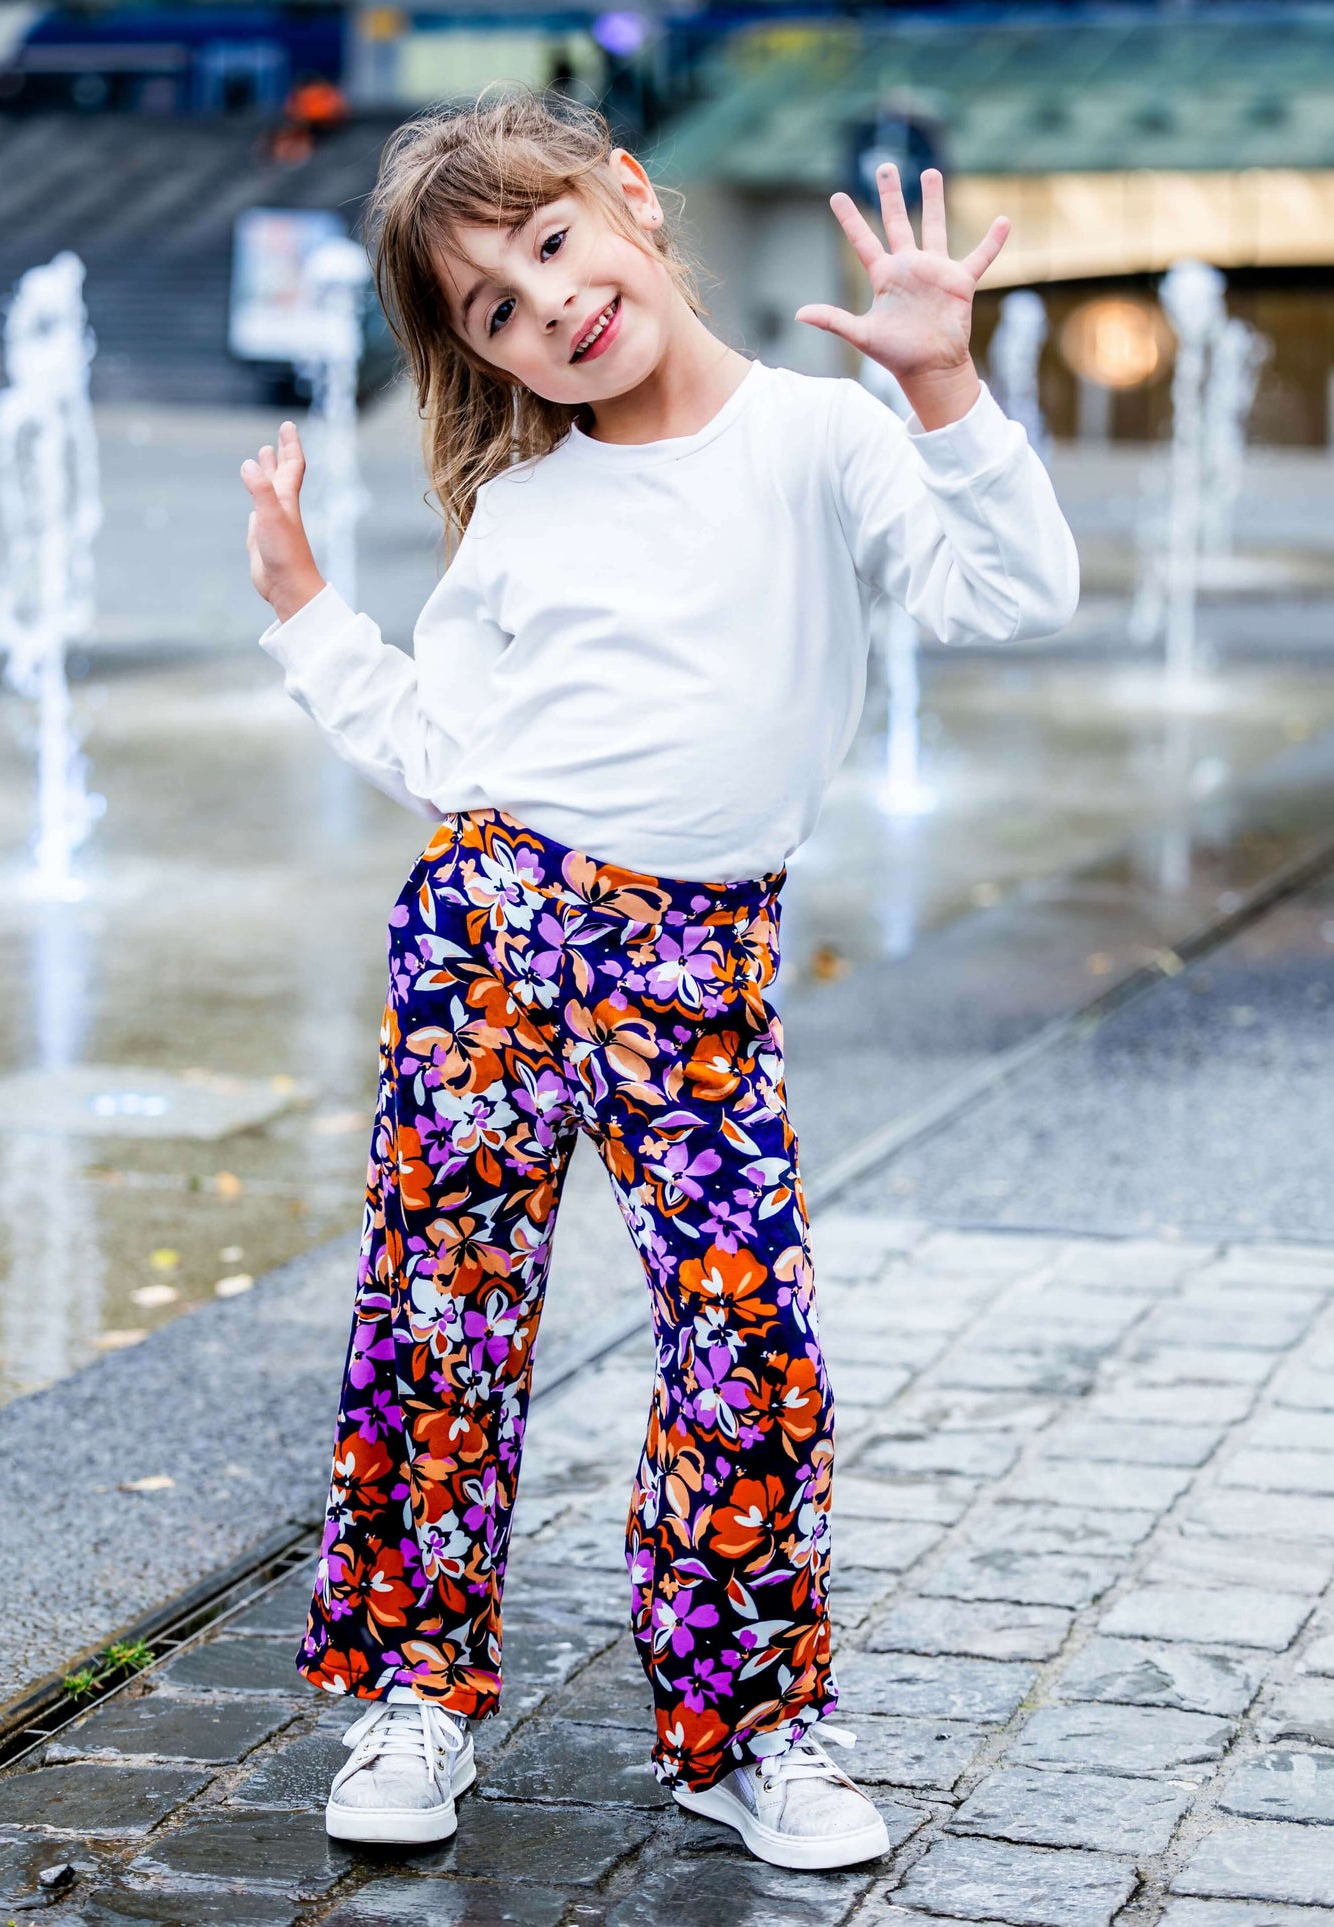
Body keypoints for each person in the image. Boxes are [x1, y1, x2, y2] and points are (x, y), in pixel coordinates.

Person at [240, 86, 1078, 1872]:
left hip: (695, 955)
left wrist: (942, 386)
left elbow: (1012, 594)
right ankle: (413, 1692)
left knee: (746, 1337)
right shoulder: (528, 505)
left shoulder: (819, 439)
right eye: (491, 309)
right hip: (489, 927)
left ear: (625, 196)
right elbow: (452, 747)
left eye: (547, 245)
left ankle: (749, 1722)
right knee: (438, 1321)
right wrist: (312, 613)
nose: (544, 306)